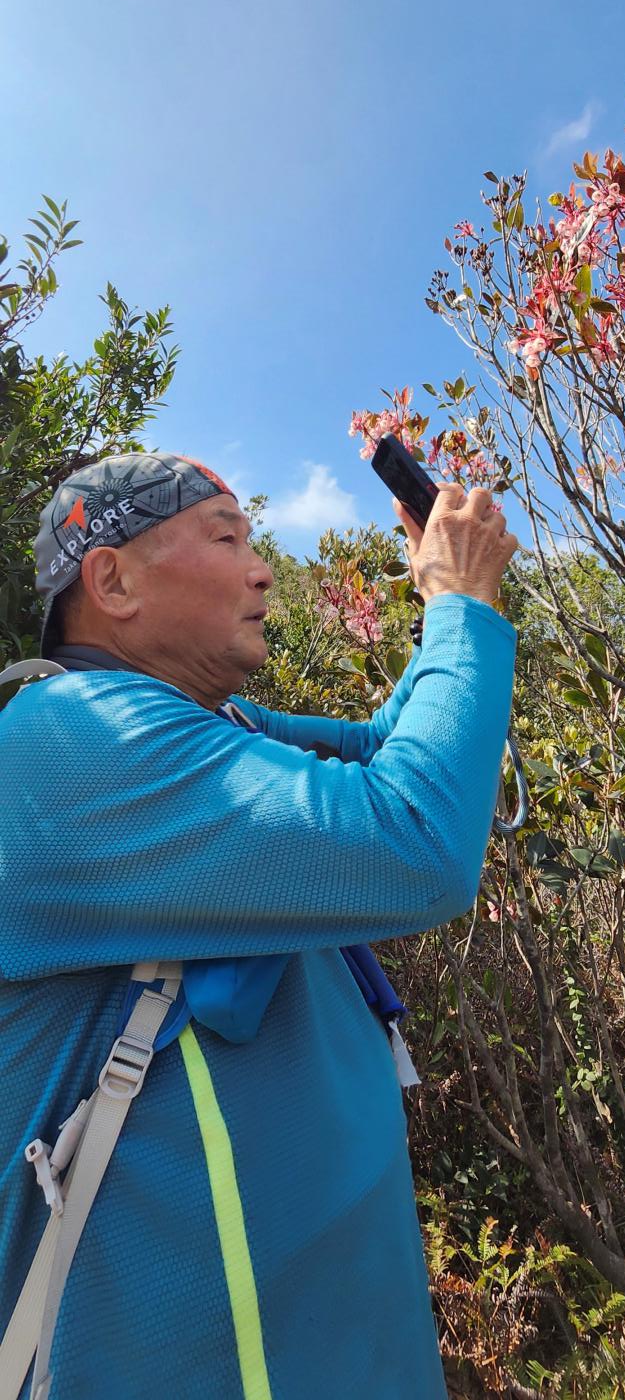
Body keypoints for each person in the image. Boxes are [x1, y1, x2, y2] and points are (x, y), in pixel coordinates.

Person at [0, 450, 517, 1400]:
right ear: (112, 582)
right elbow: (414, 837)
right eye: (227, 538)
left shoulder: (213, 725)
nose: (264, 568)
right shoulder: (71, 740)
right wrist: (461, 609)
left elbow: (387, 750)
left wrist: (446, 604)